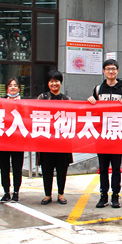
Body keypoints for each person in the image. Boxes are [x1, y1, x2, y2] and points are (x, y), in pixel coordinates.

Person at [88, 59, 122, 209]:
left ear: (117, 71)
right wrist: (90, 101)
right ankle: (103, 195)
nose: (111, 71)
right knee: (103, 168)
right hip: (101, 134)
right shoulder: (97, 89)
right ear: (104, 71)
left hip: (117, 133)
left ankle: (115, 195)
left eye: (113, 69)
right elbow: (91, 110)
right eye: (108, 69)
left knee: (116, 168)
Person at [37, 70, 72, 205]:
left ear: (60, 83)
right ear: (48, 83)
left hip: (62, 141)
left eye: (56, 81)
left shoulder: (67, 99)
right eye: (51, 81)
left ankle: (61, 194)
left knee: (62, 169)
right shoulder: (42, 98)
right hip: (46, 141)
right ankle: (47, 195)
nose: (54, 84)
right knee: (47, 169)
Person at [0, 78, 25, 203]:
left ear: (19, 88)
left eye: (15, 85)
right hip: (3, 140)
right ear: (6, 88)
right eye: (10, 85)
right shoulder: (0, 102)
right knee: (4, 168)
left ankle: (16, 192)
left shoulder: (24, 103)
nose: (13, 87)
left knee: (17, 168)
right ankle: (6, 192)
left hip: (18, 141)